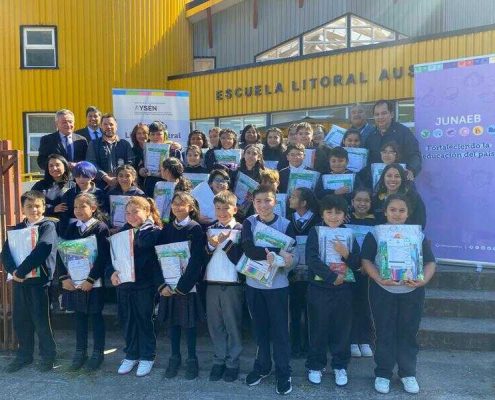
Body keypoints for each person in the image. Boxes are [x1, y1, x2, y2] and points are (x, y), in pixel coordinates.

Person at [361, 194, 436, 395]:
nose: (397, 214)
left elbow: (430, 262)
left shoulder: (417, 234)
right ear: (385, 212)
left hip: (412, 290)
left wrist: (423, 280)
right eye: (392, 209)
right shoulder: (376, 233)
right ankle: (383, 373)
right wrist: (379, 278)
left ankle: (407, 373)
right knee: (384, 332)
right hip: (383, 290)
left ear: (408, 213)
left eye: (402, 210)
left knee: (408, 332)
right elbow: (366, 260)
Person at [243, 186, 295, 395]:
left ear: (276, 202)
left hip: (278, 287)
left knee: (280, 332)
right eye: (259, 201)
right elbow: (249, 250)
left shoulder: (286, 225)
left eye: (268, 200)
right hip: (254, 285)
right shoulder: (249, 222)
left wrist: (285, 260)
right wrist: (276, 251)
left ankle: (284, 372)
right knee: (260, 330)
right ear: (254, 203)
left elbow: (291, 256)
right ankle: (263, 367)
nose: (263, 205)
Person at [305, 194, 360, 387]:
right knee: (318, 327)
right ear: (322, 214)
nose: (334, 216)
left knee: (342, 329)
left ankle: (340, 365)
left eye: (338, 213)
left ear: (345, 215)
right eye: (329, 212)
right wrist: (331, 276)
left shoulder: (349, 234)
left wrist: (346, 254)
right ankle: (315, 365)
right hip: (319, 288)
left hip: (344, 289)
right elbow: (311, 259)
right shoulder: (315, 232)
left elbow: (357, 263)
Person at [1, 190, 57, 372]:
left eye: (37, 206)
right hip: (20, 281)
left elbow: (42, 250)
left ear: (44, 207)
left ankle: (48, 356)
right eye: (29, 206)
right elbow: (5, 253)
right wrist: (13, 271)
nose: (34, 210)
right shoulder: (17, 229)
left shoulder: (48, 226)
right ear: (23, 209)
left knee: (42, 320)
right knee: (21, 319)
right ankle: (24, 355)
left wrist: (21, 270)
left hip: (40, 282)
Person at [107, 196, 163, 377]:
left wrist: (141, 229)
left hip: (144, 285)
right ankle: (131, 354)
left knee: (144, 320)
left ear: (147, 211)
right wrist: (111, 273)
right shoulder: (123, 231)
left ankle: (147, 355)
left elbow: (145, 244)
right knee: (127, 320)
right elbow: (112, 257)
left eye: (135, 212)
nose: (131, 216)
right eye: (127, 213)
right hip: (124, 284)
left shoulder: (154, 231)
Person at [56, 193, 110, 371]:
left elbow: (103, 257)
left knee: (95, 316)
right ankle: (80, 352)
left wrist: (90, 279)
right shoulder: (72, 228)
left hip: (93, 283)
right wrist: (64, 278)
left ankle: (98, 353)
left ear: (93, 208)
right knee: (79, 316)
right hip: (74, 281)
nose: (78, 210)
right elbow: (61, 253)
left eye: (83, 206)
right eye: (75, 207)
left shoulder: (100, 228)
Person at [157, 192, 206, 380]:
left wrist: (183, 286)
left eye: (182, 204)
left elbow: (197, 260)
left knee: (189, 324)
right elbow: (158, 257)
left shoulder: (195, 229)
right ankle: (174, 357)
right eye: (175, 204)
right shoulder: (166, 229)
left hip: (186, 287)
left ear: (190, 208)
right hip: (169, 285)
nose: (178, 207)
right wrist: (162, 284)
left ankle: (192, 359)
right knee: (173, 323)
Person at [204, 191, 244, 382]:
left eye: (226, 208)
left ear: (235, 209)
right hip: (212, 283)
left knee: (232, 325)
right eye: (218, 208)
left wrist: (226, 243)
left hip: (232, 285)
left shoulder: (241, 229)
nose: (221, 212)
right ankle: (219, 360)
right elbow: (200, 258)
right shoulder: (208, 229)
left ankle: (233, 362)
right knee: (216, 325)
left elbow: (242, 259)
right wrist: (211, 246)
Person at [286, 188, 321, 359]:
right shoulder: (287, 220)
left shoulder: (318, 221)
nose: (290, 199)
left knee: (311, 311)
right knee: (294, 310)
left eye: (294, 197)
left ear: (304, 202)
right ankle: (295, 345)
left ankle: (309, 345)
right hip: (293, 272)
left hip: (312, 273)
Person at [348, 189, 376, 358]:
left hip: (368, 271)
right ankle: (352, 340)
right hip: (349, 269)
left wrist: (368, 265)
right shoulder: (345, 219)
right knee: (350, 305)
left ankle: (365, 340)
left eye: (366, 200)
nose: (362, 203)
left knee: (365, 305)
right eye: (358, 200)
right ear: (352, 202)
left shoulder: (377, 222)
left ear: (371, 203)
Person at [365, 100, 421, 180]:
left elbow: (415, 155)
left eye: (384, 113)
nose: (380, 117)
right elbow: (367, 161)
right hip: (376, 183)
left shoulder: (404, 132)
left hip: (400, 182)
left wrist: (412, 170)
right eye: (377, 114)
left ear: (391, 114)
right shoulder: (370, 136)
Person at [86, 113, 135, 189]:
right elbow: (91, 163)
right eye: (105, 124)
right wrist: (106, 178)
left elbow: (130, 162)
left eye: (111, 124)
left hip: (122, 186)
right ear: (101, 126)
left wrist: (119, 178)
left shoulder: (125, 144)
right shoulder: (93, 144)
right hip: (100, 186)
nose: (108, 127)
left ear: (116, 126)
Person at [372, 163, 426, 229]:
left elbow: (420, 223)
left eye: (397, 176)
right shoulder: (377, 198)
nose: (393, 179)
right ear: (383, 178)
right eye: (389, 176)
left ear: (402, 178)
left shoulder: (413, 197)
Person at [60, 161, 108, 232]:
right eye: (78, 176)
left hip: (94, 227)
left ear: (92, 176)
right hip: (73, 228)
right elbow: (65, 214)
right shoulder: (69, 193)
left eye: (85, 176)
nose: (81, 179)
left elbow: (104, 213)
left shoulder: (99, 193)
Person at [32, 154, 75, 220]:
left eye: (57, 165)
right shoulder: (39, 186)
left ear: (65, 167)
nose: (54, 168)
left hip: (66, 221)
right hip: (44, 220)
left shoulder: (73, 186)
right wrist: (53, 209)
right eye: (51, 166)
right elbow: (31, 203)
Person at [129, 123, 149, 187]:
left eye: (144, 133)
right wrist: (139, 171)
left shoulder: (155, 148)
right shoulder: (132, 151)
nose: (142, 136)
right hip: (138, 185)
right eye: (139, 133)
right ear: (135, 135)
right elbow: (130, 168)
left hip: (153, 182)